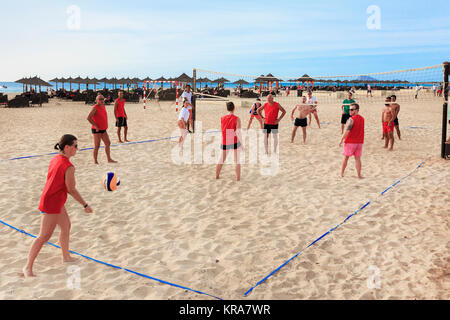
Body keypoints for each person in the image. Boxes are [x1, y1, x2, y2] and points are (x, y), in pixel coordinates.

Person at [23, 135, 93, 278]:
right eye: (75, 146)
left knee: (66, 226)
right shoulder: (69, 166)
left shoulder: (56, 158)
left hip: (54, 198)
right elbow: (71, 189)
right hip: (52, 201)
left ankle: (66, 257)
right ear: (67, 147)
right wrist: (85, 204)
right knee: (44, 236)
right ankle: (27, 267)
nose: (77, 149)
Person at [216, 102, 244, 181]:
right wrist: (241, 144)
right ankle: (238, 178)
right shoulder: (237, 118)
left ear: (227, 108)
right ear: (234, 107)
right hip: (234, 140)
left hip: (225, 139)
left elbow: (223, 129)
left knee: (221, 159)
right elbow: (238, 132)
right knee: (236, 160)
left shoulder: (222, 118)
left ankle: (217, 176)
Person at [87, 95, 117, 164]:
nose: (102, 100)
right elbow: (88, 118)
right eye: (100, 99)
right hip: (96, 130)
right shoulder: (95, 108)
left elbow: (103, 116)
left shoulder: (103, 106)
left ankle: (109, 159)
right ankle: (95, 161)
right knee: (97, 146)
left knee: (108, 143)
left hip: (103, 129)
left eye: (103, 99)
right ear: (96, 100)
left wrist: (106, 125)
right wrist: (95, 126)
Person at [339, 104, 364, 178]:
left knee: (345, 158)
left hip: (350, 142)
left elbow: (347, 131)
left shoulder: (351, 119)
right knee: (357, 159)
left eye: (352, 109)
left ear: (357, 110)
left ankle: (341, 174)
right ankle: (359, 175)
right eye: (349, 109)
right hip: (359, 142)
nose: (350, 111)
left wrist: (341, 140)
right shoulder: (362, 118)